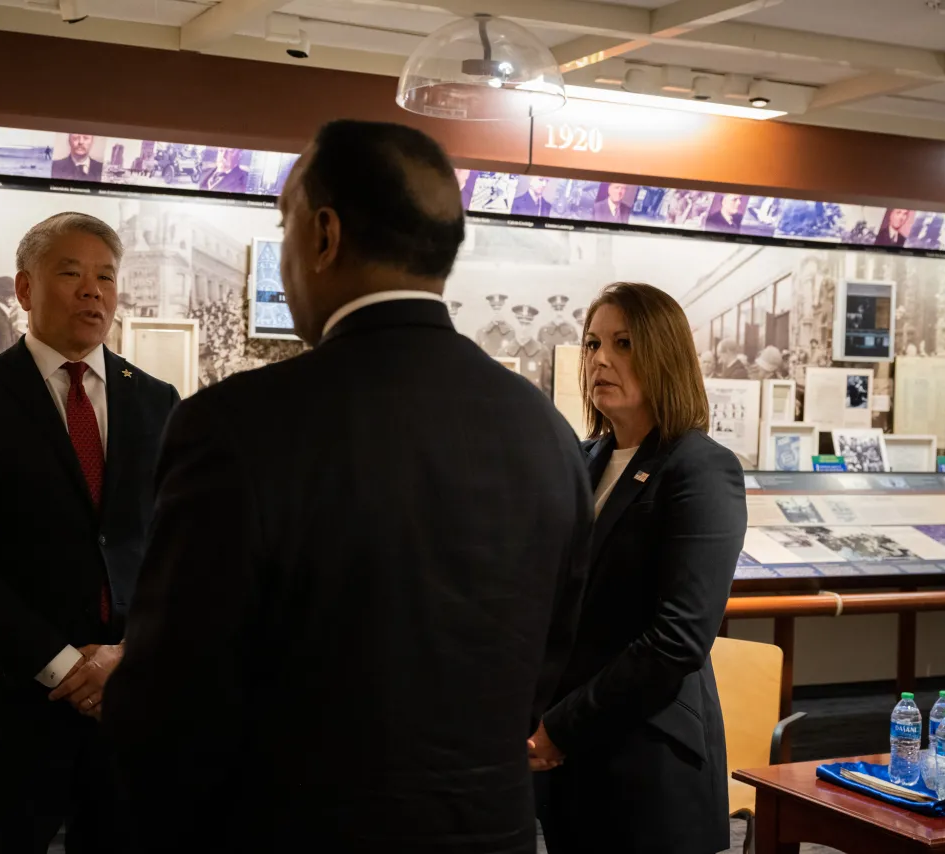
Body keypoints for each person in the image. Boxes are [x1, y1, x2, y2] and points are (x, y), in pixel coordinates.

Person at [104, 120, 591, 853]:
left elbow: (173, 701)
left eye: (285, 224)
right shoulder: (546, 431)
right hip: (492, 830)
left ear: (324, 236)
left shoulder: (236, 426)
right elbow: (545, 663)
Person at [0, 212, 180, 853]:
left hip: (126, 697)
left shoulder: (156, 400)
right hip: (10, 700)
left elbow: (176, 550)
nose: (93, 290)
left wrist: (123, 656)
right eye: (71, 273)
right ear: (26, 289)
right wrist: (64, 667)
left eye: (106, 276)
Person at [530, 282, 746, 854]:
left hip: (645, 761)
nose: (601, 359)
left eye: (623, 343)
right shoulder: (582, 459)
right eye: (593, 343)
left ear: (663, 354)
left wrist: (561, 729)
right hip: (566, 758)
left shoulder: (699, 468)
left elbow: (678, 639)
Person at [0, 276, 19, 355]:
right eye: (10, 294)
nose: (15, 298)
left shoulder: (5, 315)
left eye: (14, 294)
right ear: (1, 296)